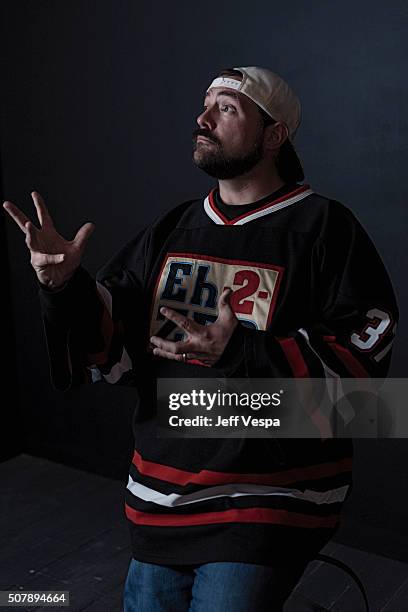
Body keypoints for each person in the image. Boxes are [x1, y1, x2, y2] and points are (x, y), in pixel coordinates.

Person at [3, 66, 399, 611]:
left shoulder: (327, 230)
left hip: (270, 497)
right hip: (162, 495)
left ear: (275, 135)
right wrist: (67, 287)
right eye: (205, 104)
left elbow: (365, 395)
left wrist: (242, 353)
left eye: (228, 108)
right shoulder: (174, 227)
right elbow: (114, 347)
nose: (203, 118)